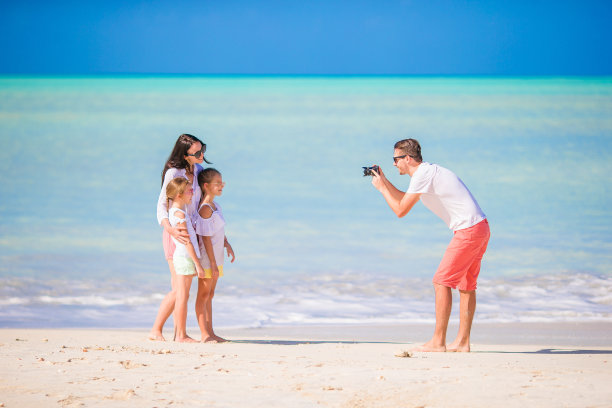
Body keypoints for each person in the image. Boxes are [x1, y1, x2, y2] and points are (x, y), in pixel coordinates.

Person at [371, 138, 490, 352]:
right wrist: (384, 181)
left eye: (396, 159)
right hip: (479, 227)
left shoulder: (423, 175)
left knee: (441, 282)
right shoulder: (426, 174)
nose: (394, 163)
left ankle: (438, 341)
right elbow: (404, 199)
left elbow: (400, 210)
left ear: (408, 159)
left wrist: (381, 190)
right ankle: (462, 343)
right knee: (466, 285)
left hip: (468, 231)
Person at [149, 134, 210, 341]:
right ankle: (163, 331)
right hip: (176, 233)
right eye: (198, 152)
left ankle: (173, 332)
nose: (202, 155)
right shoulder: (174, 172)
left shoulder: (199, 170)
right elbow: (162, 205)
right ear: (185, 154)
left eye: (203, 150)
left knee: (182, 288)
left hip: (192, 233)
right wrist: (171, 230)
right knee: (179, 288)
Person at [195, 168, 236, 343]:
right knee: (203, 295)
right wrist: (211, 262)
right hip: (208, 259)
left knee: (210, 295)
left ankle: (211, 332)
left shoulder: (215, 206)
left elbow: (218, 230)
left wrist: (227, 244)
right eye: (217, 183)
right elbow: (205, 237)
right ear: (206, 186)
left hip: (217, 257)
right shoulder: (205, 208)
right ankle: (204, 333)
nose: (221, 186)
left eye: (222, 183)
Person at [165, 178, 206, 342]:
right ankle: (181, 335)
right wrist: (198, 264)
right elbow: (187, 241)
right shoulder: (179, 214)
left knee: (183, 295)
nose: (193, 193)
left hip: (184, 258)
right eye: (190, 191)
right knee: (182, 296)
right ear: (179, 195)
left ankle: (180, 334)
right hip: (184, 258)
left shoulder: (177, 212)